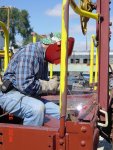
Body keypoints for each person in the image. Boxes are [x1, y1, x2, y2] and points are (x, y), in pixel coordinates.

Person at [0, 32, 74, 126]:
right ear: (56, 45)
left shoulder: (43, 57)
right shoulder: (30, 52)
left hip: (28, 95)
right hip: (11, 95)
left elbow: (38, 85)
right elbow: (25, 85)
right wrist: (49, 85)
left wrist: (57, 87)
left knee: (61, 113)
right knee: (36, 109)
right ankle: (28, 140)